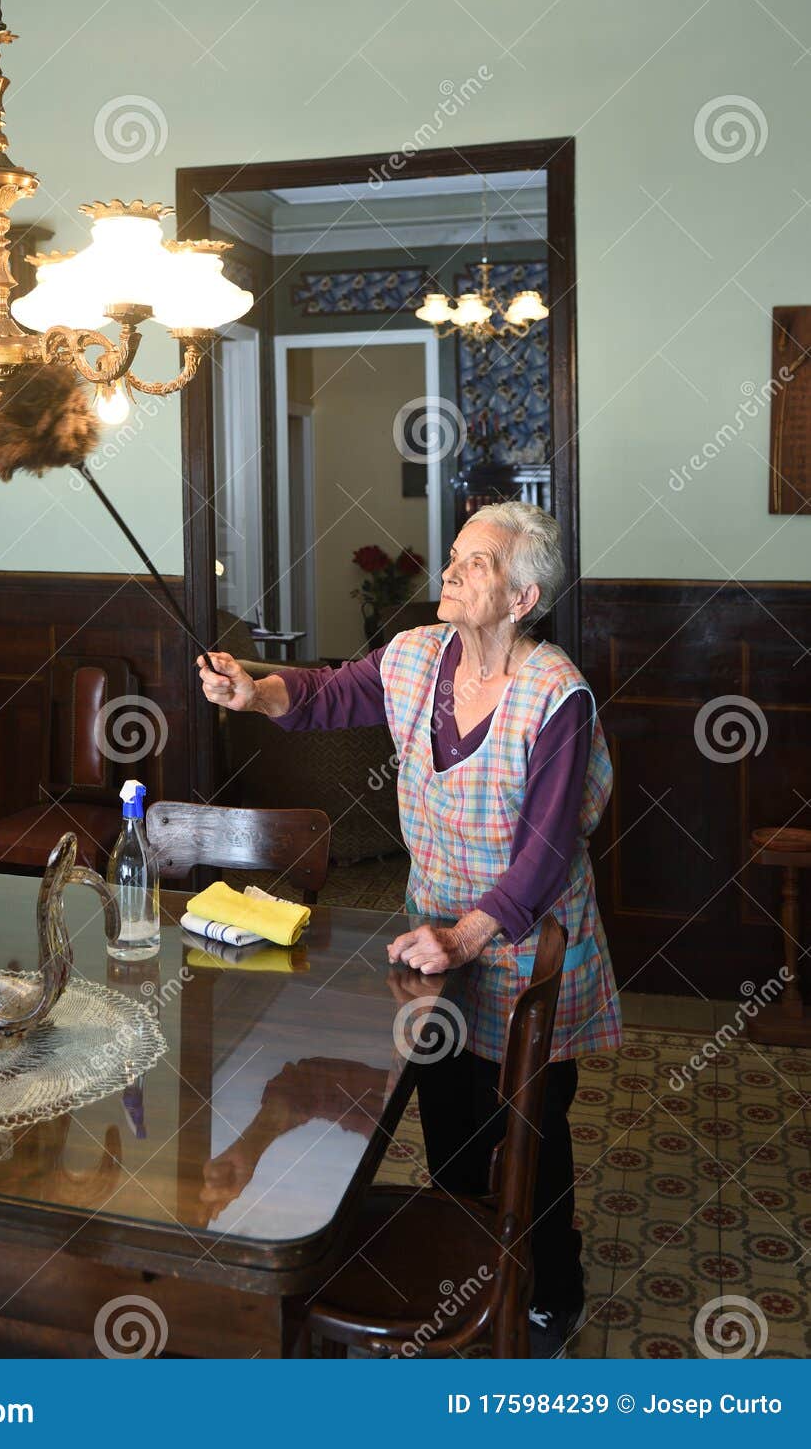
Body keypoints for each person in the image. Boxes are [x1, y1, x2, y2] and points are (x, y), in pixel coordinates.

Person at [197, 501, 620, 1358]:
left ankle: (551, 1293)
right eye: (455, 555)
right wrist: (255, 690)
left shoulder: (556, 695)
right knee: (451, 1126)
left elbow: (544, 855)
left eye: (476, 564)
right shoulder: (416, 654)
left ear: (522, 598)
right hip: (438, 945)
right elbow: (327, 694)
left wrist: (466, 938)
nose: (451, 571)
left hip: (528, 949)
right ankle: (469, 1281)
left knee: (527, 1137)